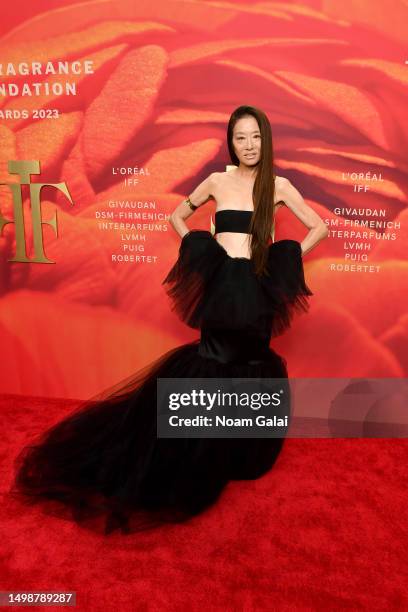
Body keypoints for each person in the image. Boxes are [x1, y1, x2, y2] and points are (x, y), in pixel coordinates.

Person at [10, 105, 328, 535]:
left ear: (265, 139)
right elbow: (179, 216)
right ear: (230, 142)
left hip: (256, 289)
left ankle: (240, 453)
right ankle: (203, 449)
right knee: (214, 358)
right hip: (221, 286)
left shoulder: (280, 185)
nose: (248, 145)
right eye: (240, 138)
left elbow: (317, 227)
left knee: (253, 361)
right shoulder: (218, 181)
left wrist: (283, 259)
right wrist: (201, 249)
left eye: (255, 137)